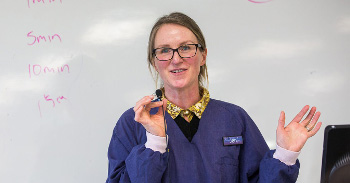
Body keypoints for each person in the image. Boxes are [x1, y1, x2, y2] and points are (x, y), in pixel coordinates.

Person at [106, 12, 322, 183]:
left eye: (186, 48)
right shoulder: (132, 123)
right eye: (164, 50)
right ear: (154, 61)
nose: (176, 59)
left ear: (203, 56)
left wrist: (285, 155)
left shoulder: (234, 119)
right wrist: (154, 143)